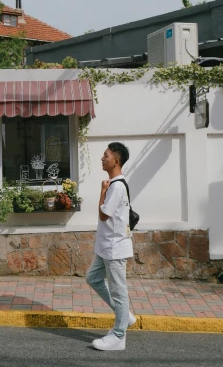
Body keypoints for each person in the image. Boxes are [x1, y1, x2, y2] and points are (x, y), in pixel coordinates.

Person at [86, 142, 135, 351]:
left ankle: (118, 335)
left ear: (116, 160)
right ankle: (125, 317)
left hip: (114, 248)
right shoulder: (116, 184)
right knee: (93, 278)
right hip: (105, 247)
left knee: (118, 291)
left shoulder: (115, 186)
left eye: (106, 155)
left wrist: (102, 191)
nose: (102, 158)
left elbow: (104, 214)